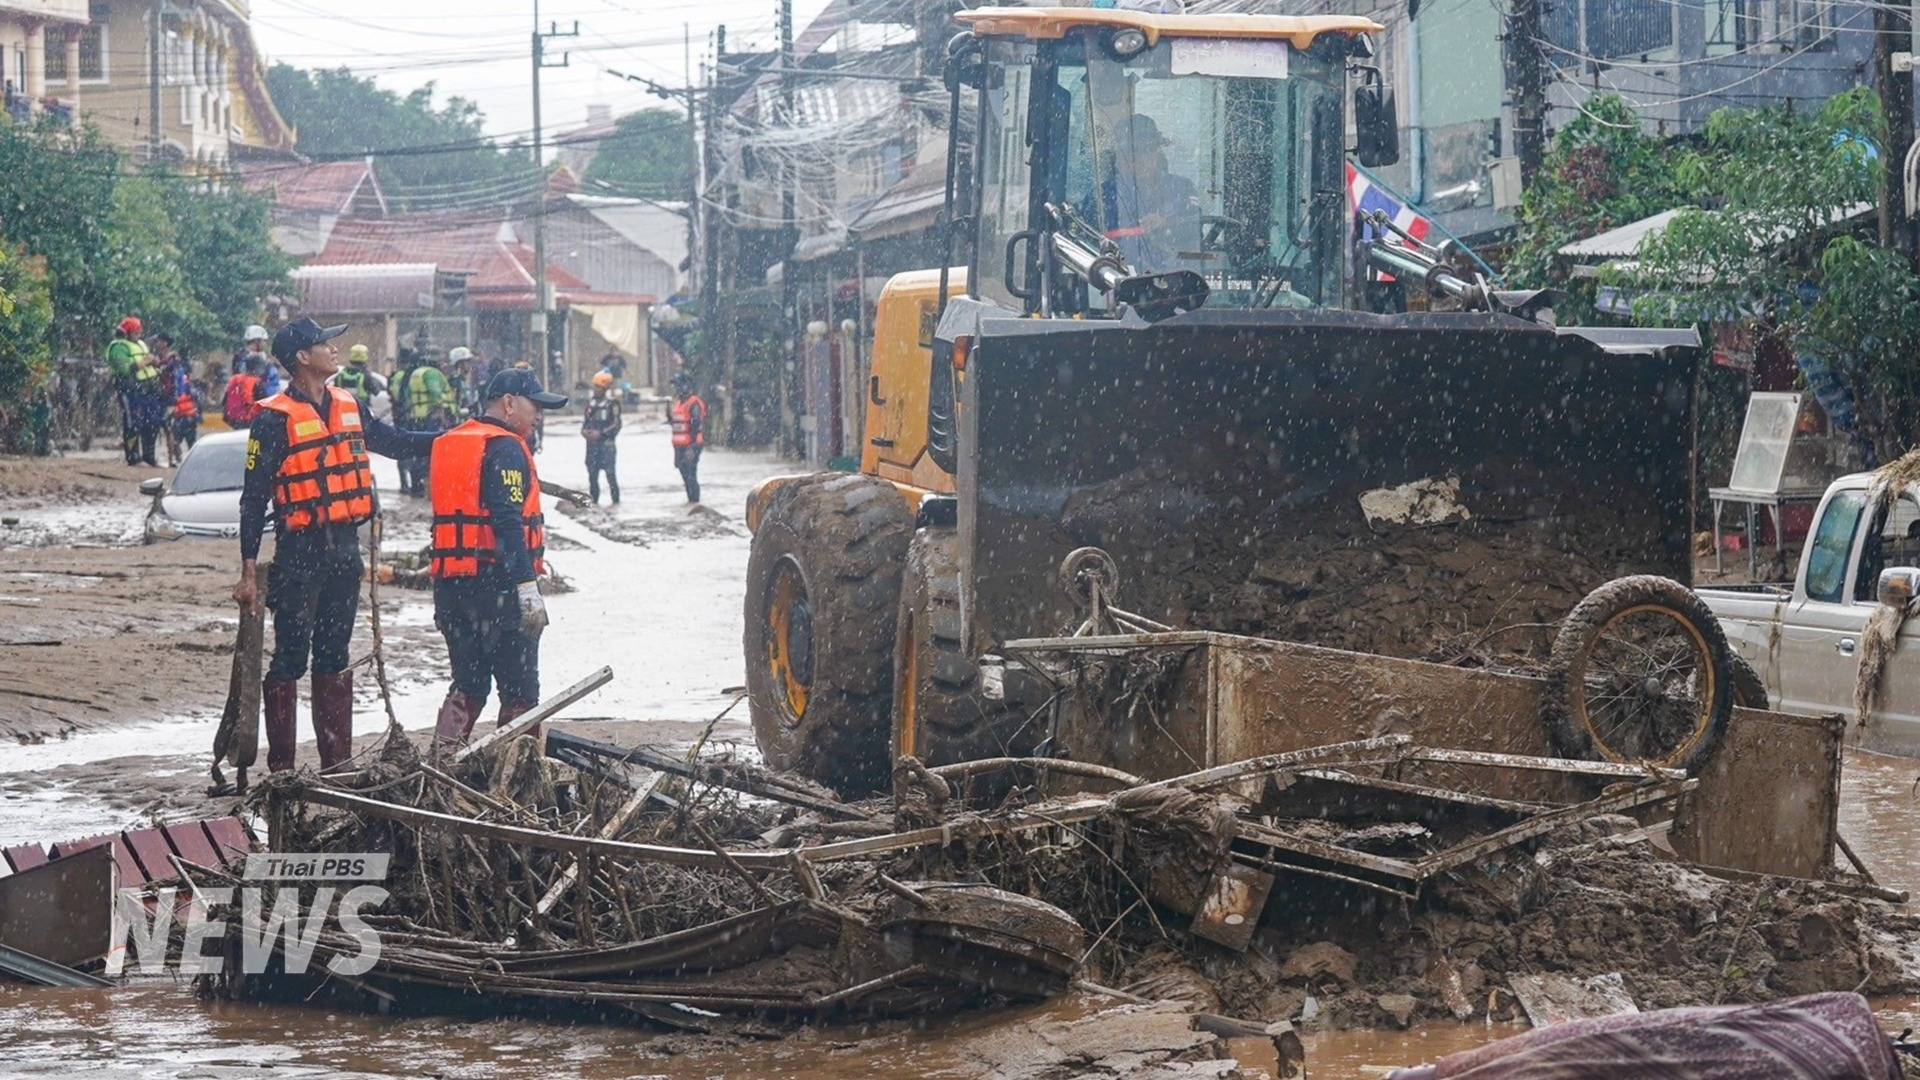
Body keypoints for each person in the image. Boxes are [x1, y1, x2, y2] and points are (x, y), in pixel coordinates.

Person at [232, 318, 441, 774]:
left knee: (335, 653)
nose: (334, 348)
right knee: (290, 656)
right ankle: (283, 770)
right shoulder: (272, 419)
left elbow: (395, 443)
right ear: (302, 358)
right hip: (299, 553)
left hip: (345, 551)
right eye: (324, 343)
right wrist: (249, 572)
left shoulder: (350, 403)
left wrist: (451, 440)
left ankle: (336, 766)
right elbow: (253, 499)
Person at [427, 368, 569, 753]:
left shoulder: (451, 441)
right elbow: (507, 522)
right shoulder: (506, 448)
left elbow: (399, 442)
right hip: (499, 588)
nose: (539, 415)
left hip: (452, 588)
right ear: (509, 403)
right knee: (521, 689)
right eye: (534, 406)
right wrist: (527, 586)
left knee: (469, 684)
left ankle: (442, 764)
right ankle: (517, 777)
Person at [105, 316, 162, 466]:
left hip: (148, 391)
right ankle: (133, 457)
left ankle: (149, 457)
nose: (139, 335)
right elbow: (124, 369)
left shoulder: (141, 344)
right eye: (135, 332)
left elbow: (148, 362)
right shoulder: (118, 347)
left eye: (139, 332)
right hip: (131, 391)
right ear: (127, 333)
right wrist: (144, 362)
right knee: (133, 423)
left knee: (152, 423)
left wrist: (154, 362)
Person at [404, 352, 457, 497]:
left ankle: (416, 485)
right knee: (431, 452)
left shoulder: (416, 374)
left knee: (418, 451)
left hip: (417, 417)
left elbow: (407, 396)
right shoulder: (432, 374)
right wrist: (442, 414)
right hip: (431, 418)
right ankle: (430, 487)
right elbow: (435, 394)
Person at [153, 335, 199, 465]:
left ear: (165, 343)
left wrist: (177, 399)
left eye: (159, 341)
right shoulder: (164, 359)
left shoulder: (172, 360)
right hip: (163, 398)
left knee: (170, 430)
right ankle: (175, 458)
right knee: (168, 430)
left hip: (172, 400)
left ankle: (174, 459)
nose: (156, 343)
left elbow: (176, 381)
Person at [582, 370, 622, 505]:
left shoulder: (612, 404)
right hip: (592, 447)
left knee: (611, 477)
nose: (595, 389)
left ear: (605, 388)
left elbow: (616, 424)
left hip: (607, 447)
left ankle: (615, 503)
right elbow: (585, 423)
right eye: (595, 386)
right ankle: (594, 504)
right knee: (592, 477)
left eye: (598, 387)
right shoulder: (590, 404)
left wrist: (601, 434)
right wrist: (585, 432)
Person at [670, 373, 707, 505]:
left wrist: (691, 447)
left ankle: (695, 503)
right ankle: (691, 503)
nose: (676, 389)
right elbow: (677, 424)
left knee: (691, 475)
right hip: (679, 446)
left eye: (678, 385)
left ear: (687, 386)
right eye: (675, 386)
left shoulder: (694, 403)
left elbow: (696, 422)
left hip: (691, 445)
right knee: (685, 476)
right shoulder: (678, 403)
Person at [222, 351, 266, 429]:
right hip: (248, 421)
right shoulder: (257, 383)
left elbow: (224, 401)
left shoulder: (234, 379)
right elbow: (265, 403)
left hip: (232, 420)